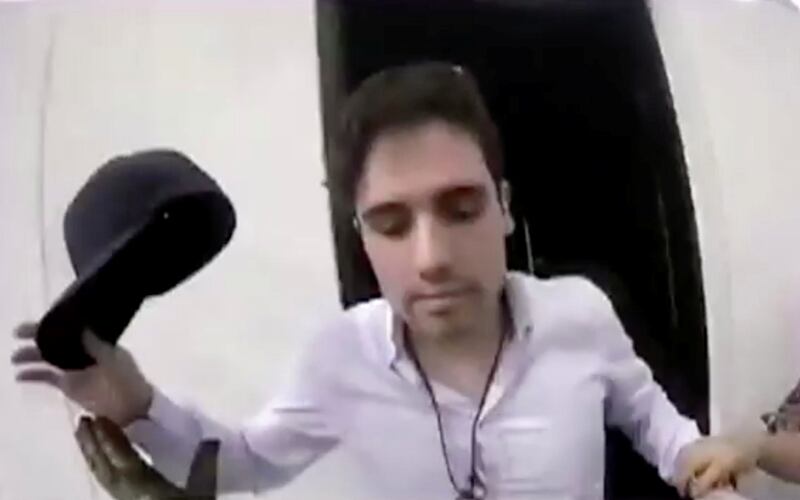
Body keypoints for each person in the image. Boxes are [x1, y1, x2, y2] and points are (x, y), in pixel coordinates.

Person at [12, 62, 746, 500]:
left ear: (504, 208)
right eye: (392, 224)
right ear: (361, 236)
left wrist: (702, 472)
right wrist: (137, 406)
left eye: (461, 209)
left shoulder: (581, 315)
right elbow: (243, 464)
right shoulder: (340, 357)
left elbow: (657, 426)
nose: (431, 257)